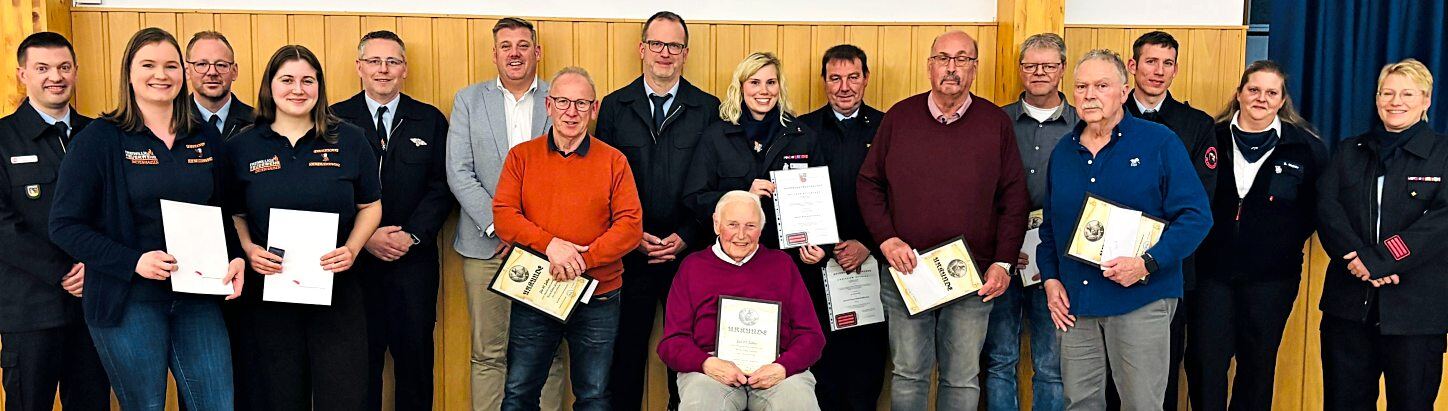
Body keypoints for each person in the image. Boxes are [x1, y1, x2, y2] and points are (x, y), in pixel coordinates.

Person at [48, 27, 246, 410]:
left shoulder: (203, 137)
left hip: (197, 297)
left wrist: (235, 254)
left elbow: (221, 210)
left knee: (217, 404)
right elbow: (65, 225)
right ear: (129, 73)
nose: (161, 74)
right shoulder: (99, 139)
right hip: (128, 301)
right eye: (149, 65)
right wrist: (134, 261)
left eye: (171, 65)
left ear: (183, 73)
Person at [855, 30, 1028, 410]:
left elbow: (1014, 198)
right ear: (930, 65)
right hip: (908, 271)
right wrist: (886, 240)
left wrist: (1002, 262)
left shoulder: (995, 123)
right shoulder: (900, 117)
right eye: (944, 59)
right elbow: (869, 184)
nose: (952, 68)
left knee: (962, 379)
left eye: (962, 59)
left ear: (975, 67)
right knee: (908, 375)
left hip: (972, 277)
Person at [1037, 49, 1211, 411]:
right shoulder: (1063, 153)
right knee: (1079, 403)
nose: (1089, 95)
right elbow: (1051, 228)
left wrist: (1147, 263)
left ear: (1124, 90)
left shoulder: (1158, 142)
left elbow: (1196, 216)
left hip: (1140, 300)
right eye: (1081, 86)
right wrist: (1051, 279)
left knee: (1141, 404)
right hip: (1076, 305)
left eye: (1101, 85)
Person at [223, 44, 381, 411]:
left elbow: (371, 206)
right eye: (287, 80)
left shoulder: (350, 139)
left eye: (308, 80)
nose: (298, 89)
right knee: (277, 396)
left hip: (337, 290)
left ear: (319, 86)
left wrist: (354, 249)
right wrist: (248, 248)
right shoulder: (243, 146)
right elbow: (235, 213)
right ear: (270, 86)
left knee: (342, 396)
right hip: (269, 294)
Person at [493, 66, 642, 411]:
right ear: (548, 105)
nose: (571, 112)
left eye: (581, 103)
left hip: (598, 294)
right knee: (519, 392)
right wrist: (551, 245)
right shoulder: (521, 157)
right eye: (562, 102)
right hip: (535, 289)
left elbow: (630, 226)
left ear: (594, 109)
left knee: (593, 394)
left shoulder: (614, 161)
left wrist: (582, 261)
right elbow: (504, 215)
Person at [595, 12, 721, 409]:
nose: (665, 53)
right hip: (630, 252)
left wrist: (687, 234)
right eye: (657, 44)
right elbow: (603, 181)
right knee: (625, 350)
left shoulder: (707, 108)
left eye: (675, 46)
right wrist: (631, 236)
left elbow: (713, 183)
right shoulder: (615, 106)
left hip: (690, 252)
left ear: (686, 53)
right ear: (642, 49)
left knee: (687, 352)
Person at [1186, 60, 1326, 411]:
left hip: (1271, 279)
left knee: (1258, 367)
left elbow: (1315, 209)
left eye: (1271, 92)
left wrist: (1278, 241)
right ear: (1239, 94)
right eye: (1253, 90)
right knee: (1205, 363)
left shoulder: (1305, 148)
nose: (1261, 98)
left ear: (1282, 101)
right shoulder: (1210, 137)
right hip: (1210, 274)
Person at [443, 17, 567, 411]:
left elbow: (570, 176)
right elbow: (459, 171)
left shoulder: (559, 98)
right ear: (494, 53)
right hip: (485, 245)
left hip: (548, 251)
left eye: (523, 45)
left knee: (549, 354)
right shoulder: (468, 99)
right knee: (488, 353)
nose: (515, 53)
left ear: (537, 51)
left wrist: (531, 236)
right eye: (506, 46)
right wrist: (501, 226)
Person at [330, 30, 454, 411]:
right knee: (358, 361)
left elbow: (443, 185)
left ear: (405, 69)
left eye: (392, 61)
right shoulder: (334, 119)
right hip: (353, 262)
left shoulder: (429, 119)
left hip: (412, 263)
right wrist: (364, 237)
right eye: (374, 61)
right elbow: (327, 188)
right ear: (359, 68)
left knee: (415, 360)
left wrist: (412, 236)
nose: (383, 70)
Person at [1316, 58, 1447, 411]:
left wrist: (1379, 260)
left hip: (1416, 314)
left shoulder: (1443, 154)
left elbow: (1440, 223)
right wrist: (1356, 258)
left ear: (1426, 100)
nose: (1395, 101)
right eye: (1387, 93)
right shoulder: (1349, 150)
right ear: (1376, 99)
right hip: (1349, 307)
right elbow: (1327, 208)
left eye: (1407, 93)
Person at [0, 31, 110, 411]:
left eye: (64, 67)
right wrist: (63, 270)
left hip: (93, 305)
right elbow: (3, 227)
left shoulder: (101, 135)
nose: (55, 77)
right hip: (30, 310)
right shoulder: (2, 139)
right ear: (22, 74)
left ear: (76, 71)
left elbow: (114, 211)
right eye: (42, 68)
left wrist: (94, 265)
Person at [1118, 32, 1216, 410]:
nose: (1158, 71)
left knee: (1160, 373)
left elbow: (1198, 202)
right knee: (1108, 372)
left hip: (1167, 269)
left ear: (1176, 69)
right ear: (1133, 66)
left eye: (1167, 63)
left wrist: (1149, 251)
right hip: (1106, 266)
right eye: (1150, 62)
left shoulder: (1195, 125)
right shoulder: (1108, 114)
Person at [658, 190, 825, 411]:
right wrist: (706, 364)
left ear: (761, 229)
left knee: (797, 403)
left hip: (777, 370)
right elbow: (672, 343)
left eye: (750, 226)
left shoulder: (782, 265)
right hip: (711, 371)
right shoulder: (692, 267)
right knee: (702, 403)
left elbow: (812, 336)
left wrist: (784, 367)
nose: (741, 235)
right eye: (732, 225)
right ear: (716, 224)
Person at [985, 32, 1076, 411]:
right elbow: (979, 190)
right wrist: (1003, 249)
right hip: (1002, 261)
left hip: (1057, 264)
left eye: (1048, 65)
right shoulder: (994, 121)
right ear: (1020, 69)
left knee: (1052, 366)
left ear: (1062, 69)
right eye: (1030, 65)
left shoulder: (1082, 124)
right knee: (999, 360)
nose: (1039, 72)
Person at [794, 43, 887, 411]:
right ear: (824, 82)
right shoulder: (802, 129)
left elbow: (900, 194)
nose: (844, 87)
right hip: (816, 264)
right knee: (821, 363)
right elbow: (790, 193)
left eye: (853, 77)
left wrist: (869, 243)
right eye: (835, 78)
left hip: (869, 263)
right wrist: (807, 243)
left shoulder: (887, 127)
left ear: (866, 79)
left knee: (867, 365)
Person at [682, 52, 821, 252]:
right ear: (741, 87)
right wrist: (743, 196)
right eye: (754, 82)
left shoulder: (803, 136)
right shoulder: (716, 136)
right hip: (733, 256)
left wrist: (821, 248)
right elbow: (695, 199)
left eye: (771, 82)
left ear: (779, 87)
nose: (763, 91)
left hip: (788, 258)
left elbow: (821, 202)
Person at [185, 31, 253, 140]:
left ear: (234, 71)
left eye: (221, 65)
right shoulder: (171, 123)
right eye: (202, 64)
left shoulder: (259, 123)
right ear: (187, 71)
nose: (212, 72)